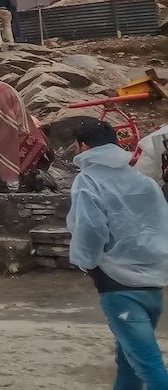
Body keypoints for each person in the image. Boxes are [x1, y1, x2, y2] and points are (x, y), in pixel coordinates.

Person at [68, 120, 168, 390]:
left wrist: (86, 263)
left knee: (148, 364)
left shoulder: (88, 181)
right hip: (153, 283)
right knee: (128, 358)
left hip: (119, 287)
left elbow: (89, 229)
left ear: (83, 146)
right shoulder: (143, 181)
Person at [0, 77, 51, 192]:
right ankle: (25, 185)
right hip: (19, 125)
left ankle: (3, 185)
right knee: (23, 154)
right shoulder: (8, 88)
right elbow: (19, 105)